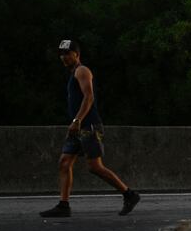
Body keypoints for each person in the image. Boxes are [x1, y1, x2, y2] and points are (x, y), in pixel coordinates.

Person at [39, 40, 140, 218]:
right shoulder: (73, 74)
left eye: (67, 53)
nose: (63, 57)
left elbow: (89, 96)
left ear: (77, 54)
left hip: (88, 126)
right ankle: (63, 205)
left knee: (95, 167)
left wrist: (77, 120)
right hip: (77, 127)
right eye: (61, 54)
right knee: (64, 162)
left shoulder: (82, 71)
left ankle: (129, 195)